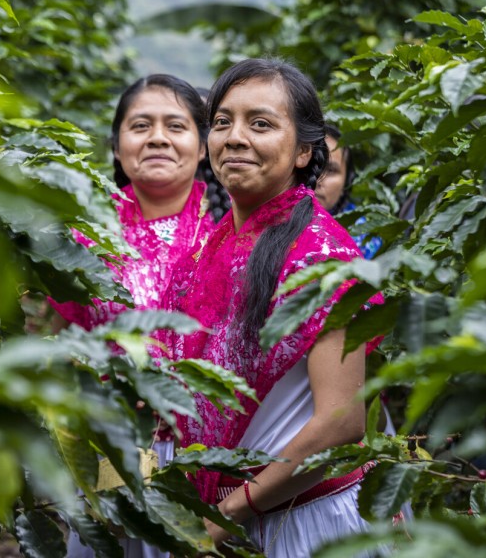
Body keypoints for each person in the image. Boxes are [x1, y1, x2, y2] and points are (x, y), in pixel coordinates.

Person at [161, 58, 383, 557]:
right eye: (222, 122)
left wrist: (229, 514)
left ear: (306, 151)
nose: (234, 137)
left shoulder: (325, 258)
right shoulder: (212, 248)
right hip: (227, 517)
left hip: (297, 523)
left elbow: (342, 424)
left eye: (260, 123)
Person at [55, 74, 222, 558]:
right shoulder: (81, 236)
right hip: (116, 440)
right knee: (117, 544)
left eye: (176, 125)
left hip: (213, 451)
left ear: (204, 145)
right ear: (117, 144)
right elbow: (67, 339)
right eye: (140, 125)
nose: (157, 138)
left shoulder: (232, 235)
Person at [315, 124, 382, 259]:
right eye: (311, 167)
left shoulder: (364, 238)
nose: (317, 179)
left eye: (331, 170)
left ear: (347, 182)